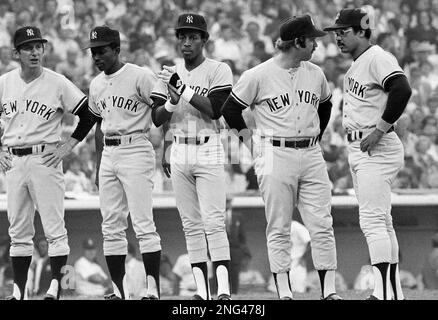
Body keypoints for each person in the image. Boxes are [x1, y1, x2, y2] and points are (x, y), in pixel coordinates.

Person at [221, 14, 342, 300]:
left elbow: (325, 105)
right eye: (311, 39)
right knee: (279, 227)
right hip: (275, 151)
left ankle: (330, 292)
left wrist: (317, 136)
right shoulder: (258, 75)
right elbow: (229, 110)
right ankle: (284, 292)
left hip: (310, 153)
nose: (316, 44)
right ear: (297, 41)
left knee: (323, 225)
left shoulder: (315, 73)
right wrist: (250, 143)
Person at [0, 26, 97, 300]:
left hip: (45, 158)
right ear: (15, 52)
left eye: (38, 46)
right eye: (28, 47)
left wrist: (68, 147)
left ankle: (54, 288)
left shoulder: (57, 82)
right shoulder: (4, 82)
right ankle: (19, 292)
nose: (34, 52)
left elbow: (88, 114)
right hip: (13, 160)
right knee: (18, 232)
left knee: (55, 229)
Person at [324, 8, 412, 300]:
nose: (338, 37)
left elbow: (402, 89)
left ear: (362, 31)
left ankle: (383, 293)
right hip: (362, 147)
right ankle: (394, 293)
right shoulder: (359, 63)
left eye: (344, 32)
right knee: (382, 221)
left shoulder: (377, 57)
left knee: (372, 221)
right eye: (336, 32)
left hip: (377, 145)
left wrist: (380, 129)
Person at [150, 13, 233, 301]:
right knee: (190, 223)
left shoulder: (219, 69)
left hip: (208, 145)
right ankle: (202, 291)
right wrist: (173, 102)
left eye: (193, 37)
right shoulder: (169, 72)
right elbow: (157, 117)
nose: (186, 42)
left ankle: (222, 290)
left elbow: (215, 109)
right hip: (180, 147)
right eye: (182, 36)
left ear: (204, 40)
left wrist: (181, 88)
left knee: (213, 221)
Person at [84, 25, 162, 300]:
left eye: (102, 50)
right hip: (109, 152)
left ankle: (152, 289)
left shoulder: (140, 75)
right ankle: (120, 291)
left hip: (136, 147)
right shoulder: (96, 84)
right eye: (93, 52)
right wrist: (97, 165)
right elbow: (97, 126)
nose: (96, 56)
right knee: (111, 225)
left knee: (143, 223)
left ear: (116, 49)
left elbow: (161, 112)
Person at [225, 195, 250, 294]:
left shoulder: (238, 216)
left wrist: (242, 251)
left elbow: (242, 236)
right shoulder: (217, 215)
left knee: (235, 274)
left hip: (235, 250)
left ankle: (234, 294)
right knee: (220, 272)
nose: (226, 204)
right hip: (221, 249)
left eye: (228, 202)